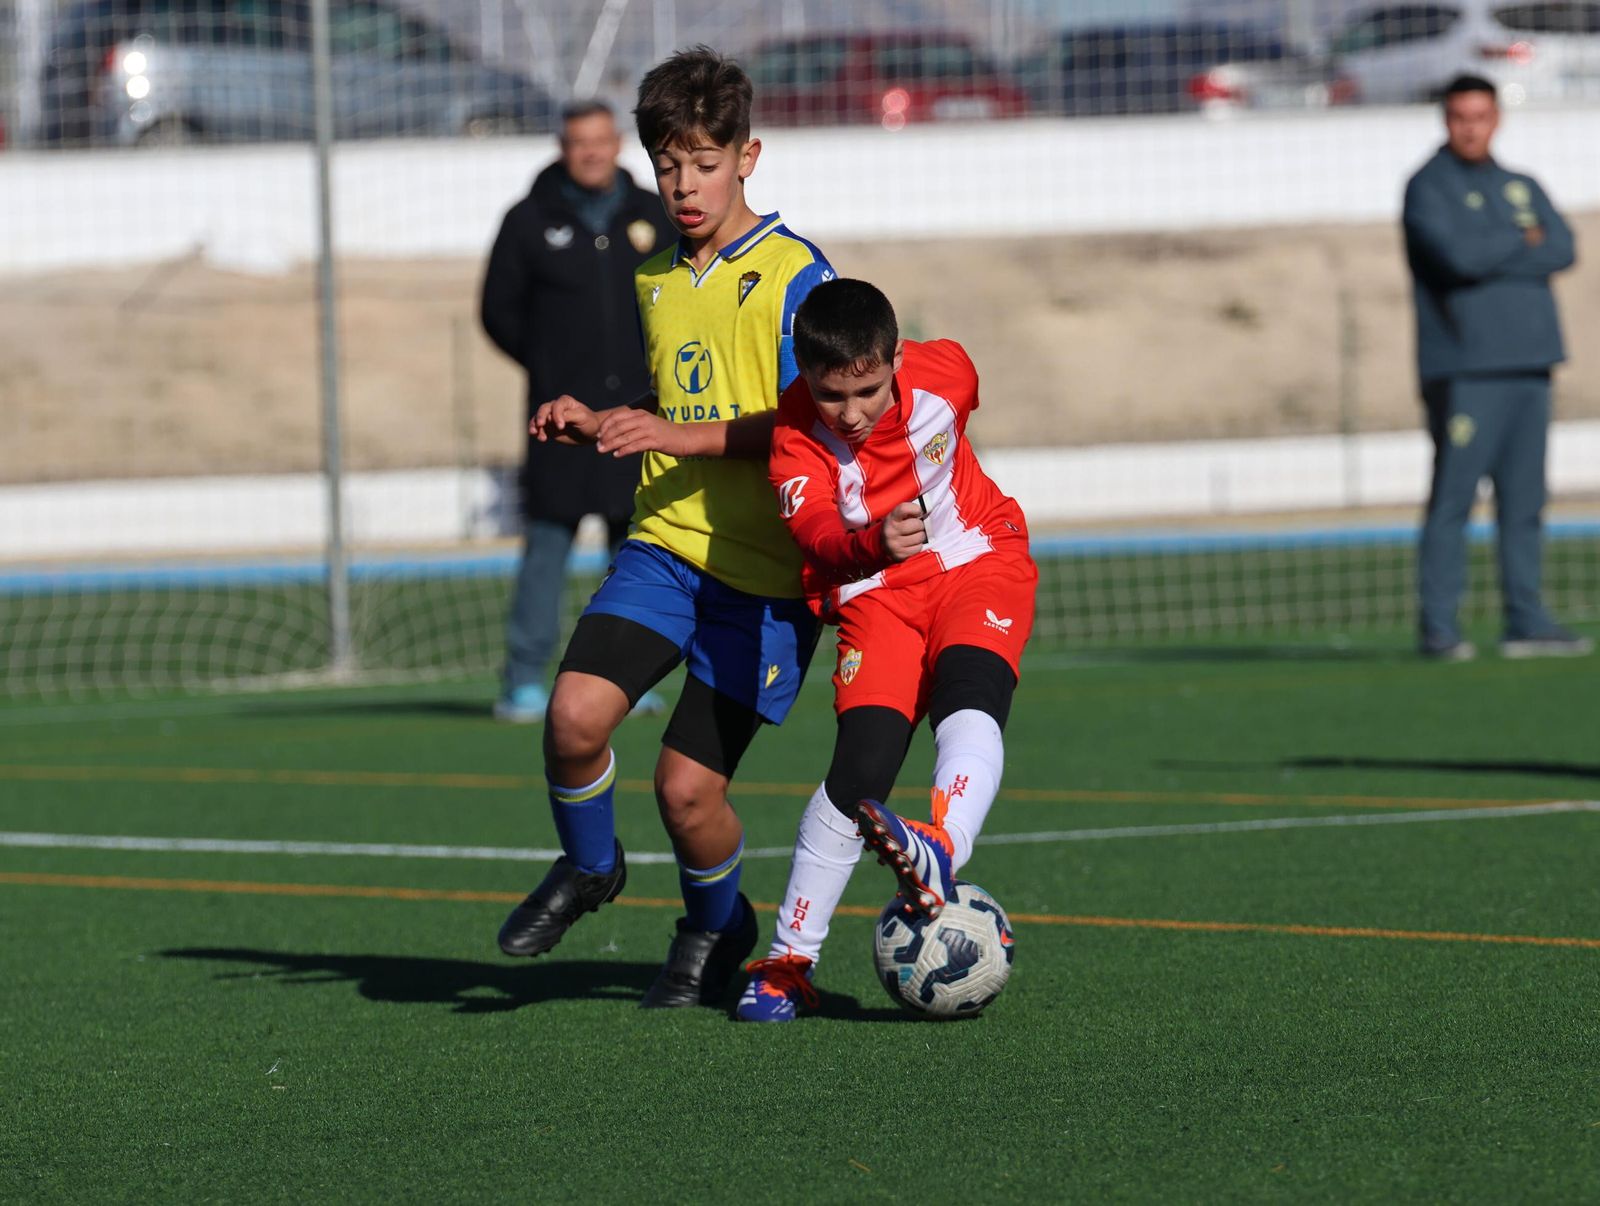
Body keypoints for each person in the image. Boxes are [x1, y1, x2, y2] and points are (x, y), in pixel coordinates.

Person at [494, 47, 836, 1009]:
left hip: (765, 580)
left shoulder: (796, 278)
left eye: (705, 162)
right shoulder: (657, 279)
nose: (684, 185)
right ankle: (593, 869)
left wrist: (679, 435)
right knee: (571, 721)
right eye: (668, 163)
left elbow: (818, 422)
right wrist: (605, 417)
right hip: (667, 549)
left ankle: (717, 924)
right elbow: (684, 397)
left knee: (686, 794)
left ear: (749, 156)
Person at [737, 278, 1037, 1022]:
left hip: (977, 559)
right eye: (832, 395)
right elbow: (817, 539)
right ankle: (788, 964)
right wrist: (873, 542)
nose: (853, 412)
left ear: (895, 360)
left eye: (868, 390)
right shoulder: (794, 441)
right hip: (874, 594)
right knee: (859, 771)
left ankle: (941, 843)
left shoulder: (947, 374)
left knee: (972, 690)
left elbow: (962, 391)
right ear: (804, 374)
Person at [480, 100, 678, 723]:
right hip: (558, 419)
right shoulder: (528, 219)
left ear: (618, 143)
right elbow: (497, 311)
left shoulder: (654, 214)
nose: (590, 152)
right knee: (546, 545)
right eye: (577, 142)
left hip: (636, 410)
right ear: (562, 147)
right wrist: (550, 366)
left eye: (600, 140)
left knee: (637, 551)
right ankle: (521, 681)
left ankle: (628, 679)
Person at [1403, 75, 1591, 661]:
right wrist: (1519, 242)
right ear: (1445, 119)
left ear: (1497, 118)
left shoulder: (1520, 185)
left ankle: (1526, 620)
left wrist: (1506, 244)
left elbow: (1561, 247)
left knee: (1525, 500)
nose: (1470, 127)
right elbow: (1459, 258)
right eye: (1460, 116)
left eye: (1481, 116)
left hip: (1530, 364)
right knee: (1454, 498)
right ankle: (1439, 627)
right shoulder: (1428, 187)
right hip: (1466, 369)